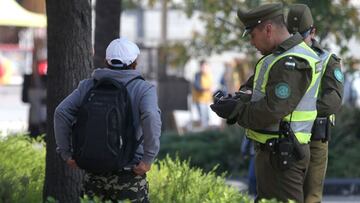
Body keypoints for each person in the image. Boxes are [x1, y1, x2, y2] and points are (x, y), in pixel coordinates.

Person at [211, 3, 322, 202]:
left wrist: (236, 111)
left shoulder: (292, 61)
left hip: (283, 154)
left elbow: (273, 109)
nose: (251, 43)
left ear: (268, 29)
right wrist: (237, 99)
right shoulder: (275, 58)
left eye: (252, 35)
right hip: (274, 152)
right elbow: (259, 93)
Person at [54, 37, 162, 202]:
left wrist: (66, 153)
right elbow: (151, 116)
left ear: (106, 60)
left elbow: (61, 112)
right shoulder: (143, 89)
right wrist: (148, 159)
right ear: (134, 62)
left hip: (93, 172)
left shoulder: (88, 86)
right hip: (129, 172)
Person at [287, 4, 344, 202]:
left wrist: (294, 107)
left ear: (313, 32)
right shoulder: (283, 57)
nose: (297, 42)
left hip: (315, 138)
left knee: (311, 196)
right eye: (291, 36)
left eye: (301, 36)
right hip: (286, 136)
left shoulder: (327, 60)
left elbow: (332, 102)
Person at [192, 60, 213, 128]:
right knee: (203, 118)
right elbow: (197, 86)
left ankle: (207, 131)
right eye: (202, 67)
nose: (204, 68)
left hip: (208, 99)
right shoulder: (198, 75)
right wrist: (206, 89)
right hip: (200, 100)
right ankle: (204, 130)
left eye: (205, 66)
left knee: (208, 118)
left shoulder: (209, 75)